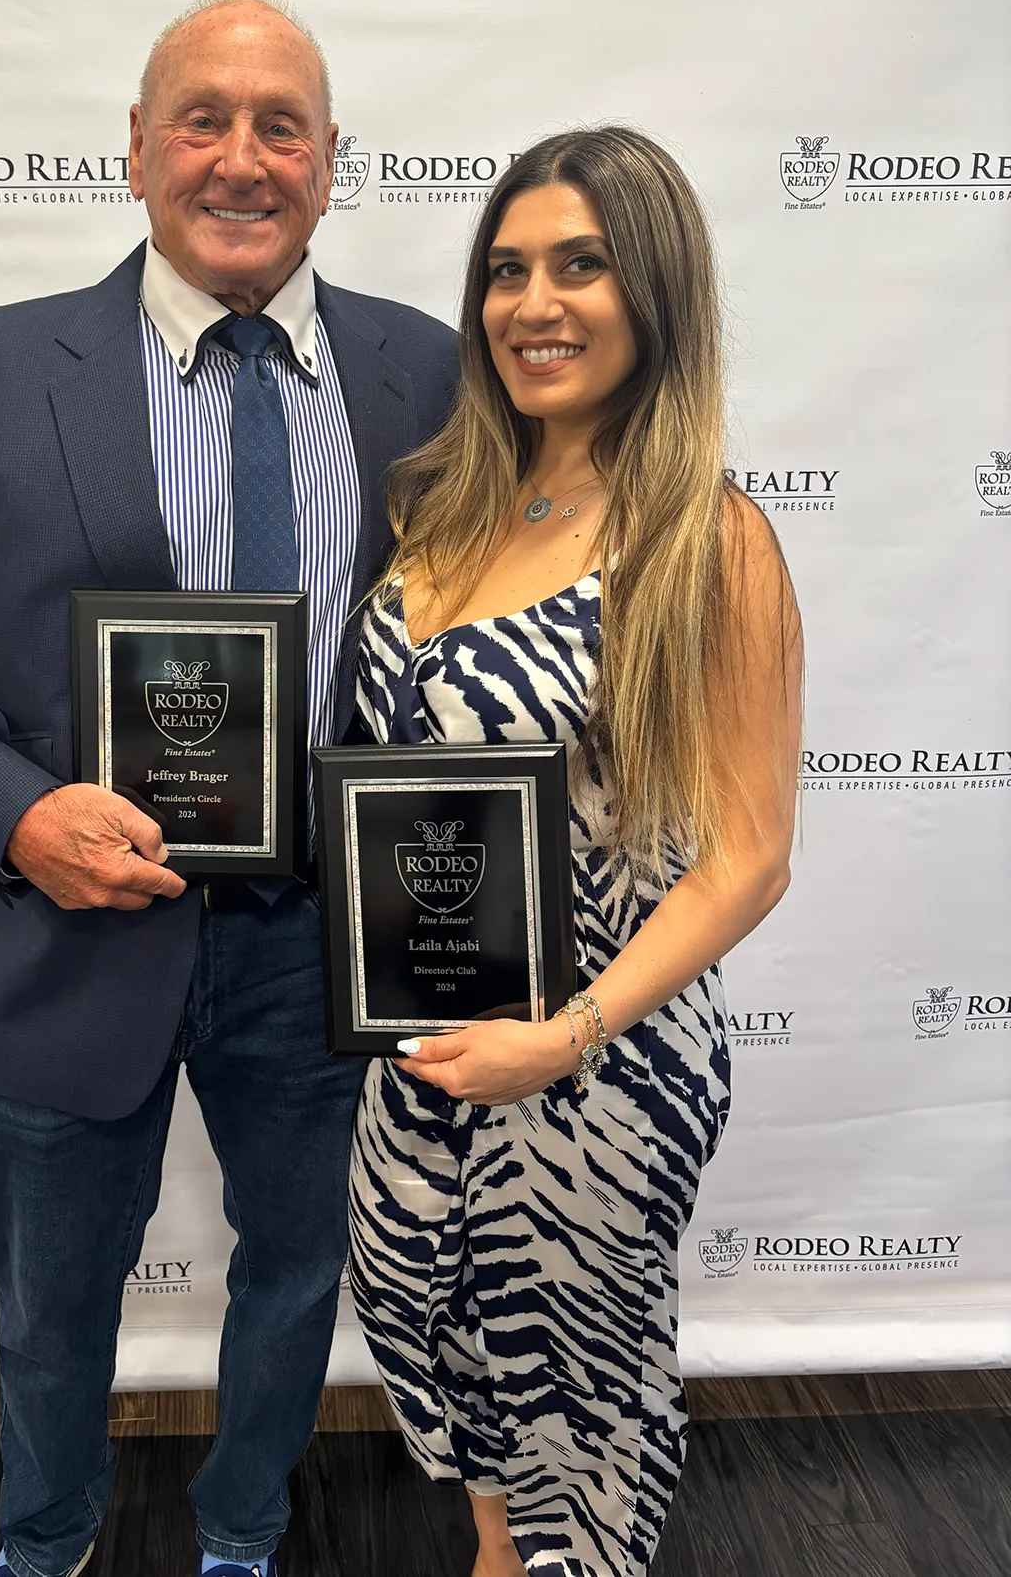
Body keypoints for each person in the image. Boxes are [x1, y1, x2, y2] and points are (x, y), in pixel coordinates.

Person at [0, 0, 458, 1577]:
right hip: (68, 926)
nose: (241, 158)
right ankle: (45, 1539)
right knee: (49, 1301)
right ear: (135, 147)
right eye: (203, 119)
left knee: (300, 1268)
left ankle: (244, 1526)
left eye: (281, 126)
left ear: (331, 161)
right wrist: (17, 812)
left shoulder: (434, 377)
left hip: (324, 944)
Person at [348, 126, 802, 1577]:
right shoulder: (442, 504)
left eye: (580, 266)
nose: (533, 304)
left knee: (575, 1408)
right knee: (442, 1342)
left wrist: (567, 1032)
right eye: (506, 270)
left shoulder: (708, 541)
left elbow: (751, 855)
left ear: (652, 290)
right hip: (426, 1046)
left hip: (598, 1063)